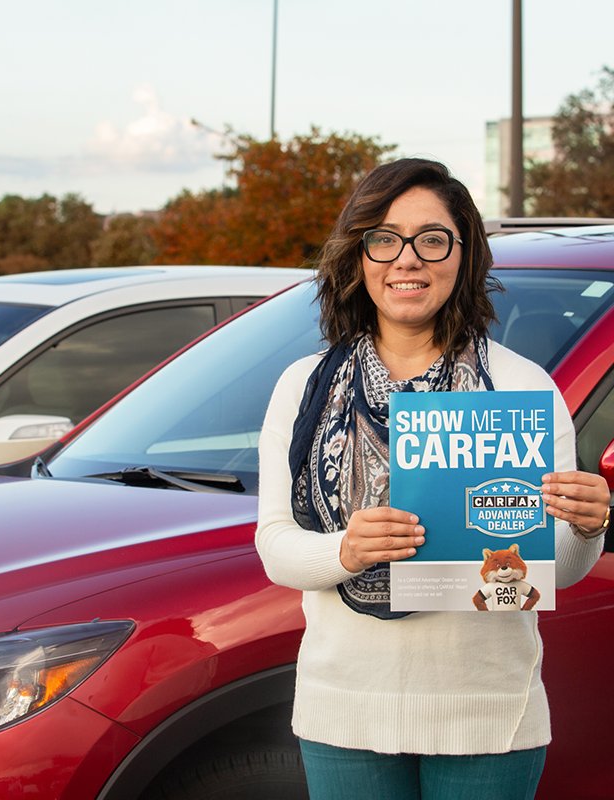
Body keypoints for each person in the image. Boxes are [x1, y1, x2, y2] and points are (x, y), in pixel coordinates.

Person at [255, 158, 610, 800]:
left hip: (489, 716)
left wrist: (586, 527)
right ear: (359, 256)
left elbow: (546, 569)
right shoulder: (303, 388)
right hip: (345, 713)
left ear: (462, 254)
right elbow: (275, 547)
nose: (407, 259)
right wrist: (344, 550)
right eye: (384, 238)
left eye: (432, 239)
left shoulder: (523, 386)